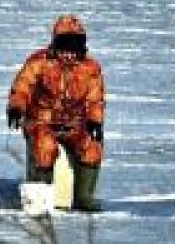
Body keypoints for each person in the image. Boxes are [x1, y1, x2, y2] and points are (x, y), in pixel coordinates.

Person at [7, 14, 105, 212]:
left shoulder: (90, 68)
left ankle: (83, 197)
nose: (68, 54)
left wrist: (95, 121)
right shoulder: (39, 61)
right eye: (64, 48)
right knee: (45, 147)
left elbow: (95, 98)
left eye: (74, 49)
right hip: (40, 121)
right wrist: (17, 107)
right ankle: (40, 199)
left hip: (74, 124)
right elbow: (22, 85)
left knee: (92, 146)